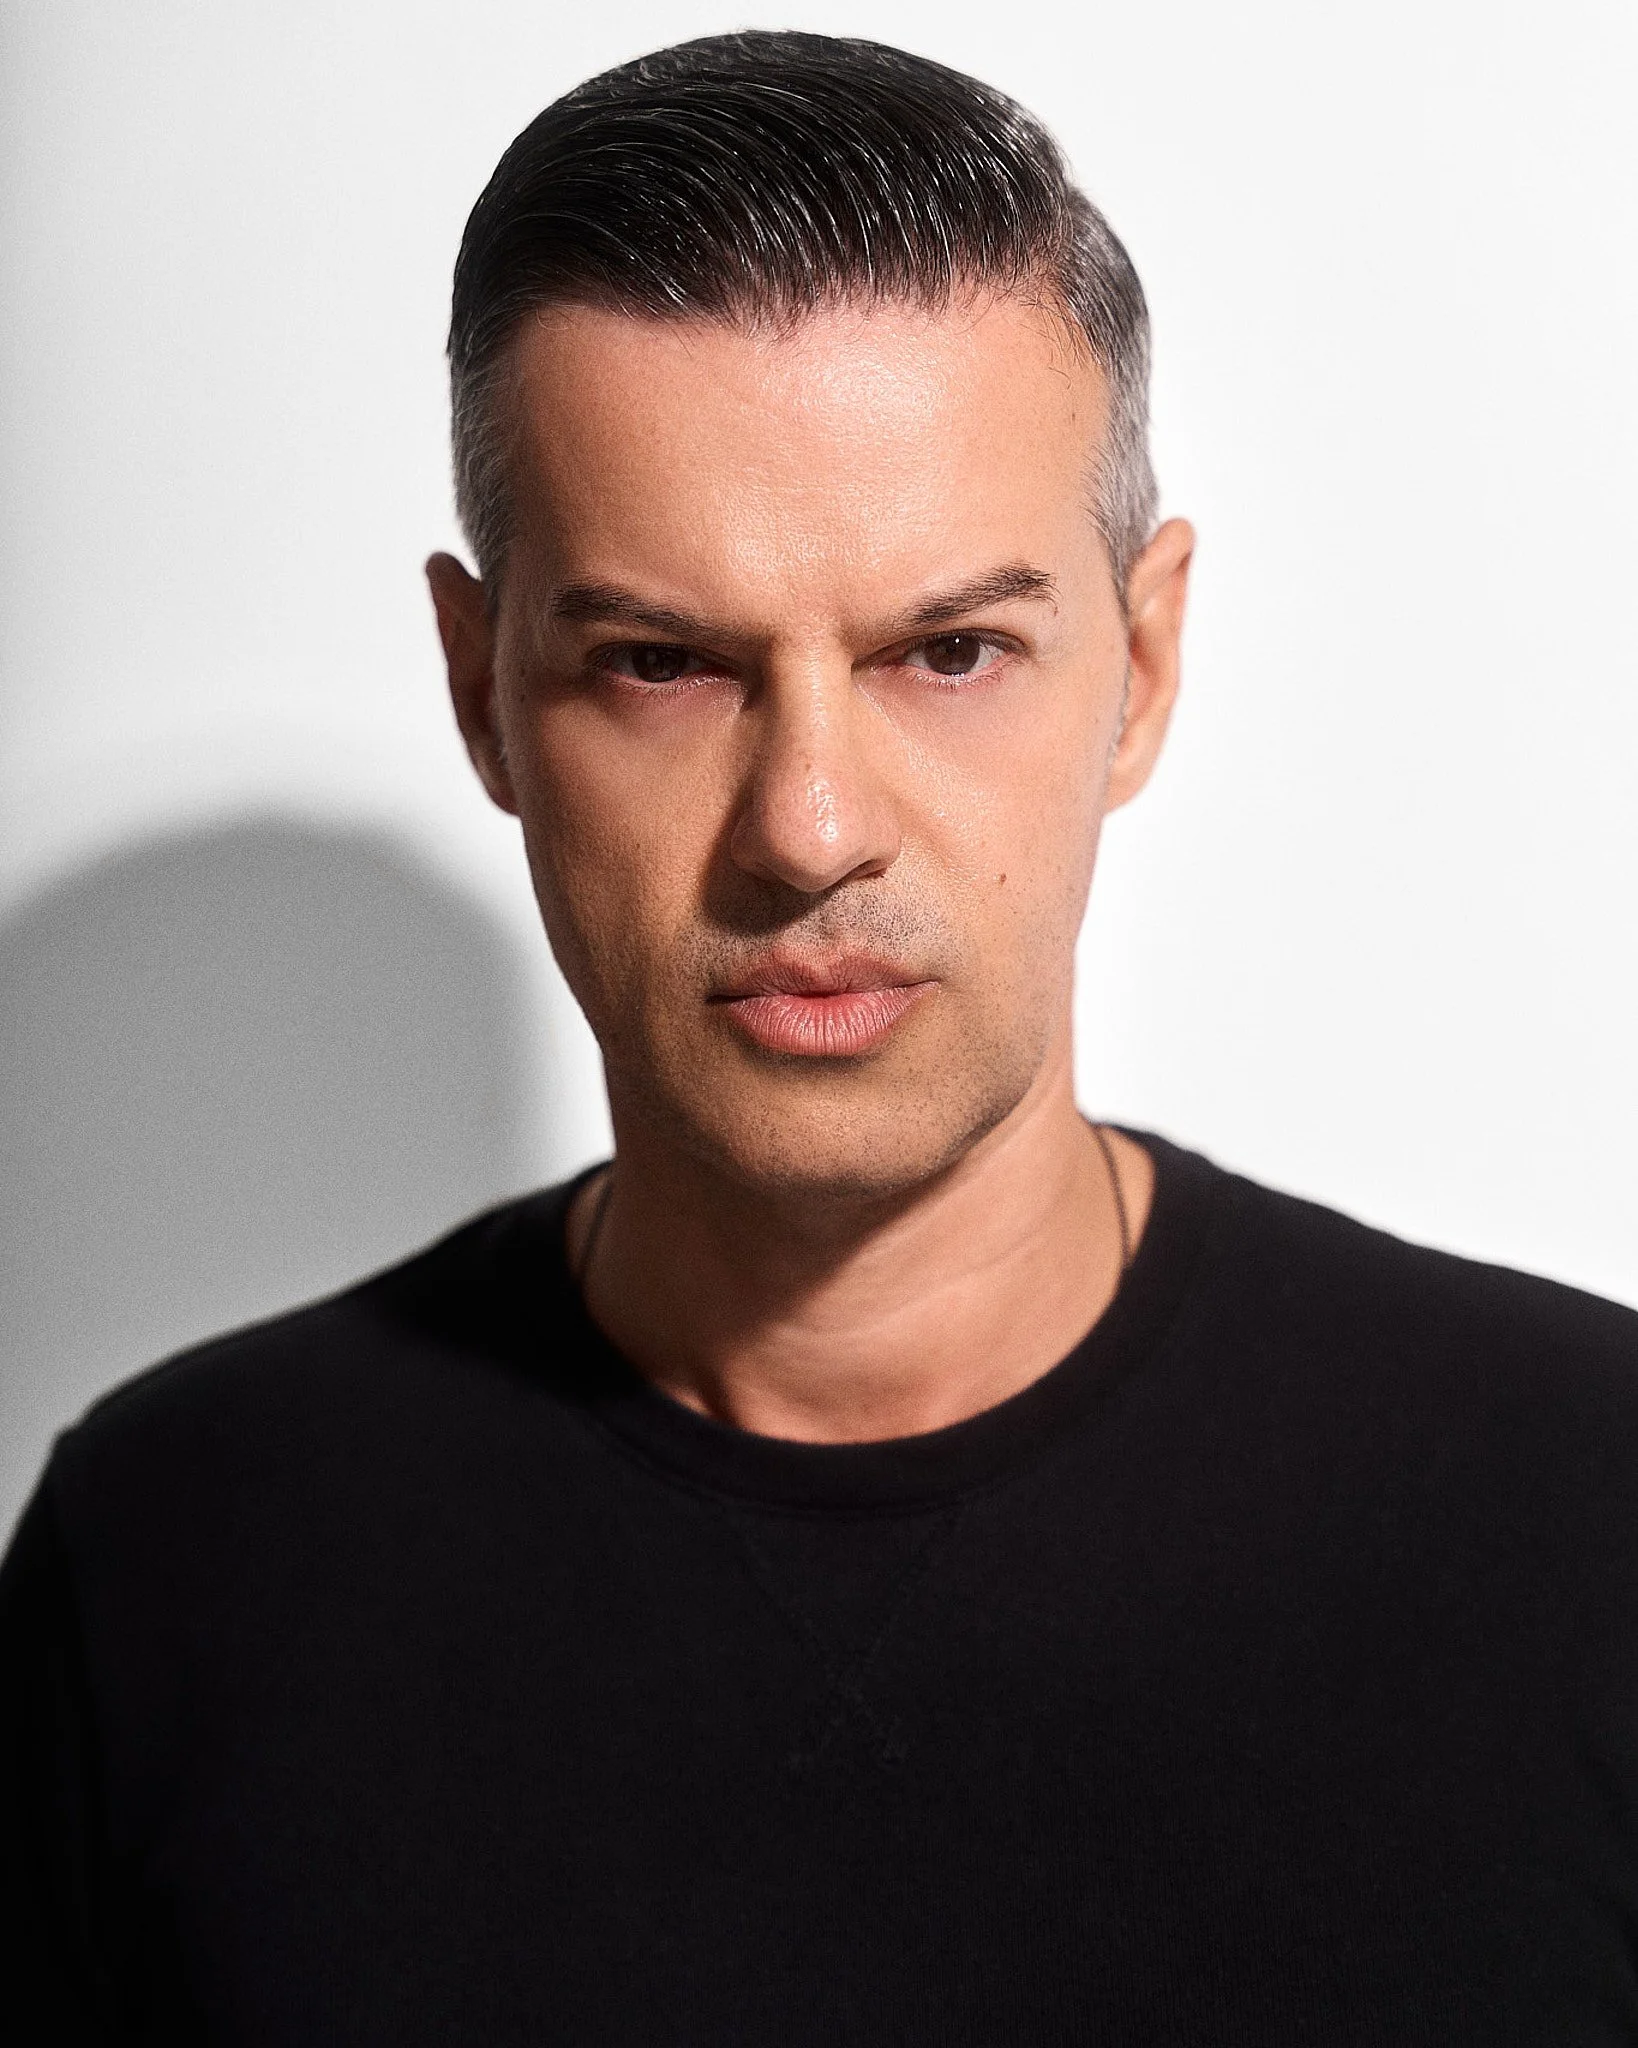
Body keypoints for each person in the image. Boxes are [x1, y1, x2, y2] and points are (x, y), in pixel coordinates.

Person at [2, 29, 1635, 2044]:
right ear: (483, 690)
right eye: (661, 664)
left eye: (949, 651)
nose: (809, 823)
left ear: (1140, 664)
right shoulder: (175, 1559)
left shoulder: (1590, 1517)